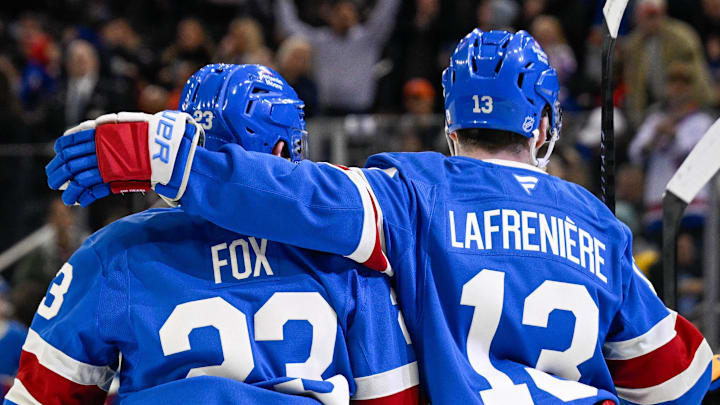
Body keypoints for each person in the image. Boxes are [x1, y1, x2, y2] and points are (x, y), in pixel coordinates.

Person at [46, 31, 717, 404]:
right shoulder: (599, 226)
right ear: (544, 124)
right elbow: (677, 384)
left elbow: (295, 197)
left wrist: (170, 157)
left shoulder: (408, 191)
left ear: (451, 124)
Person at [8, 64, 420, 405]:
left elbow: (40, 397)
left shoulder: (113, 251)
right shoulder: (345, 255)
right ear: (281, 150)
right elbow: (392, 396)